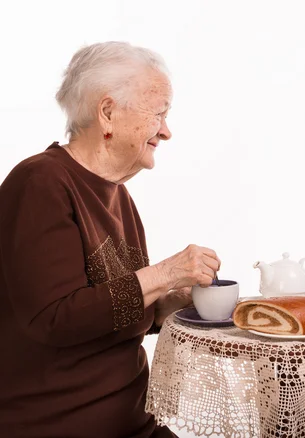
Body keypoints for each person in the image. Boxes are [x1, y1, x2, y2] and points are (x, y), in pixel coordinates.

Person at [0, 42, 221, 437]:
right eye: (158, 113)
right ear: (107, 113)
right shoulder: (41, 183)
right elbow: (55, 319)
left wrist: (171, 302)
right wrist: (165, 273)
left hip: (133, 423)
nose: (167, 131)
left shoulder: (118, 194)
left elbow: (111, 309)